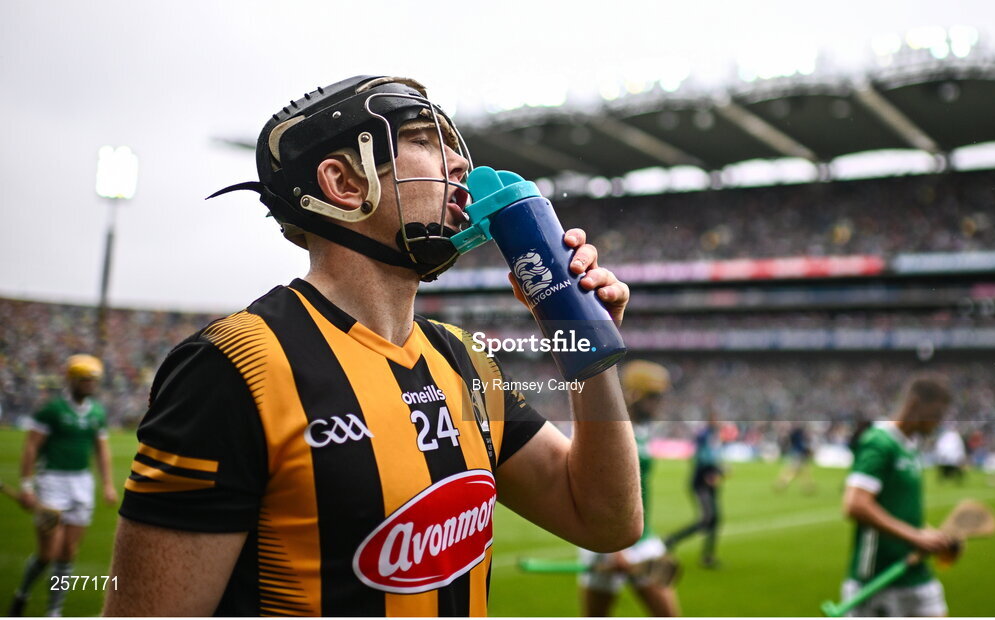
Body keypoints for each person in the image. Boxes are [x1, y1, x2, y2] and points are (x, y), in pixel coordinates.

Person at [102, 75, 641, 617]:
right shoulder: (236, 365)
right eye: (425, 142)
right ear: (342, 182)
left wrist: (583, 339)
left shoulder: (464, 360)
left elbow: (604, 520)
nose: (458, 165)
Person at [840, 375, 959, 617]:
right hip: (876, 577)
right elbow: (855, 505)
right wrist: (915, 537)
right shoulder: (879, 442)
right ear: (915, 404)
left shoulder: (910, 446)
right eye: (935, 414)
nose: (937, 423)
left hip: (912, 571)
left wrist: (928, 534)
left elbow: (899, 509)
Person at [9, 354, 117, 617]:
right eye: (85, 379)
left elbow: (101, 451)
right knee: (49, 552)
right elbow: (31, 448)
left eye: (94, 380)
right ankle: (22, 594)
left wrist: (107, 484)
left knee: (68, 552)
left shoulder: (97, 412)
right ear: (71, 380)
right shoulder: (52, 410)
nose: (90, 384)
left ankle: (53, 611)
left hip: (81, 483)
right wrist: (26, 485)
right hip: (52, 483)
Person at [579, 360, 679, 617]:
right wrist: (616, 550)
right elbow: (595, 492)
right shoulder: (607, 430)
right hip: (609, 541)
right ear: (633, 394)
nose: (660, 402)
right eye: (654, 396)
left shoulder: (642, 427)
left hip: (643, 537)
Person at [664, 408, 723, 569]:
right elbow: (702, 457)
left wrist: (719, 469)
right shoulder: (704, 435)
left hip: (710, 482)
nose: (717, 421)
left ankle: (708, 557)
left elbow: (712, 456)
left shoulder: (713, 434)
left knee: (715, 519)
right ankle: (671, 540)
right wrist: (712, 471)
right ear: (709, 419)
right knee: (707, 519)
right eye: (714, 417)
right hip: (702, 483)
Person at [773, 424, 816, 494]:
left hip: (797, 455)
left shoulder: (794, 438)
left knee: (798, 471)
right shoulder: (798, 439)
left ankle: (782, 483)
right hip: (799, 456)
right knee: (798, 471)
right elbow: (802, 447)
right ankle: (782, 483)